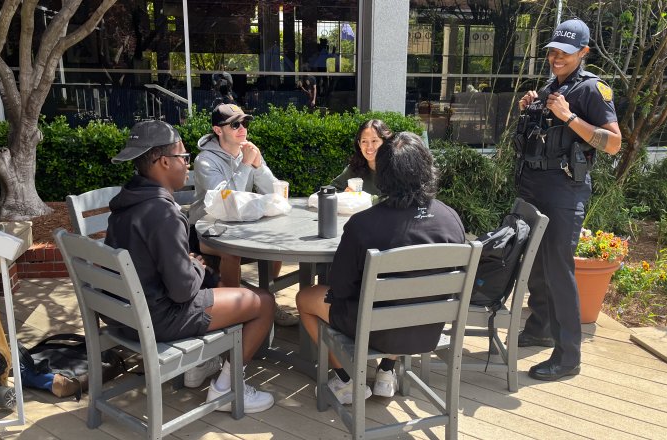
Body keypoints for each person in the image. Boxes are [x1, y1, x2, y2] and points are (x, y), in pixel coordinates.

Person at [105, 120, 275, 413]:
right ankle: (226, 388)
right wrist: (194, 266)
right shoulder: (162, 213)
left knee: (223, 285)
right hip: (158, 318)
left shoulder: (127, 203)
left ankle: (203, 363)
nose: (188, 165)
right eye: (184, 158)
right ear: (163, 162)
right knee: (264, 302)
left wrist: (193, 266)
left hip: (125, 316)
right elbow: (183, 290)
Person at [296, 132, 466, 403]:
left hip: (373, 328)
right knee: (408, 297)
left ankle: (346, 379)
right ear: (427, 169)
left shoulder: (363, 224)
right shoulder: (451, 218)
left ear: (383, 175)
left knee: (305, 297)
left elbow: (340, 287)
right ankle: (386, 372)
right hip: (429, 326)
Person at [514, 18, 621, 381]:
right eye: (553, 51)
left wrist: (570, 117)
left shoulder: (593, 90)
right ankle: (541, 326)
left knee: (558, 268)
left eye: (565, 53)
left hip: (563, 189)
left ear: (583, 53)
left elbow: (613, 143)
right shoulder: (550, 86)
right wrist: (529, 107)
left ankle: (568, 356)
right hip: (534, 184)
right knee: (537, 263)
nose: (556, 58)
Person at [188, 104, 299, 327]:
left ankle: (268, 301)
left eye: (245, 123)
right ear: (218, 130)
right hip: (206, 229)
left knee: (275, 247)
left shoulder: (247, 152)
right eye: (235, 124)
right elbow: (225, 201)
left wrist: (258, 166)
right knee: (232, 252)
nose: (243, 129)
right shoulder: (205, 161)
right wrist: (247, 165)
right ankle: (235, 312)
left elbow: (274, 191)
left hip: (241, 226)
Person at [330, 119, 391, 195]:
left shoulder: (397, 169)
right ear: (359, 144)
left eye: (374, 141)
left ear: (385, 142)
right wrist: (344, 195)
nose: (369, 146)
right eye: (364, 141)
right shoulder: (354, 169)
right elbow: (331, 191)